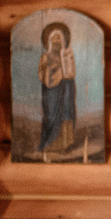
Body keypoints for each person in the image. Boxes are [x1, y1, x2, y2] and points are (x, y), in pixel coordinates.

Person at [37, 21, 79, 156]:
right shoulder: (45, 57)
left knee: (66, 114)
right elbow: (41, 75)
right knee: (50, 117)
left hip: (66, 89)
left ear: (63, 41)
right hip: (51, 92)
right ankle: (49, 144)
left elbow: (71, 73)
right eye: (53, 39)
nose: (56, 41)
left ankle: (65, 145)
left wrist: (66, 68)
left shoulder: (66, 55)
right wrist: (52, 70)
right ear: (49, 41)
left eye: (59, 38)